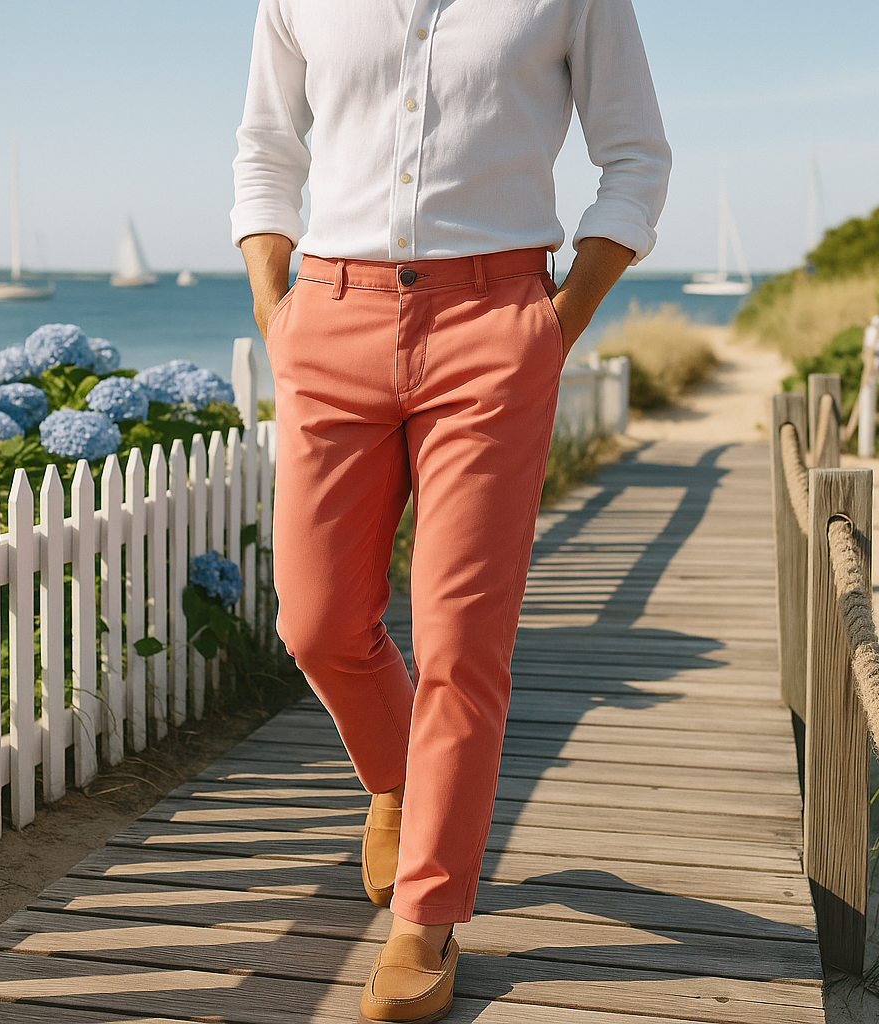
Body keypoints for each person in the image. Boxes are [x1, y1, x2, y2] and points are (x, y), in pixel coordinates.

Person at [231, 2, 670, 1020]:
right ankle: (396, 780)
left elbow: (636, 157)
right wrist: (275, 304)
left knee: (465, 638)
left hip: (495, 317)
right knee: (316, 618)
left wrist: (553, 328)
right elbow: (265, 143)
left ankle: (426, 912)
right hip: (330, 313)